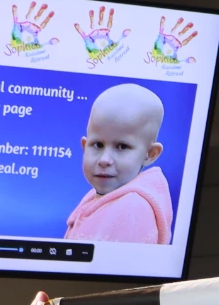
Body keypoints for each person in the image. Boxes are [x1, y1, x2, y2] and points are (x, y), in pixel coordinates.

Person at [63, 82, 174, 245]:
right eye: (98, 145)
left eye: (122, 146)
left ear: (150, 154)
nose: (104, 160)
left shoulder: (132, 208)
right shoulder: (101, 197)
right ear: (84, 146)